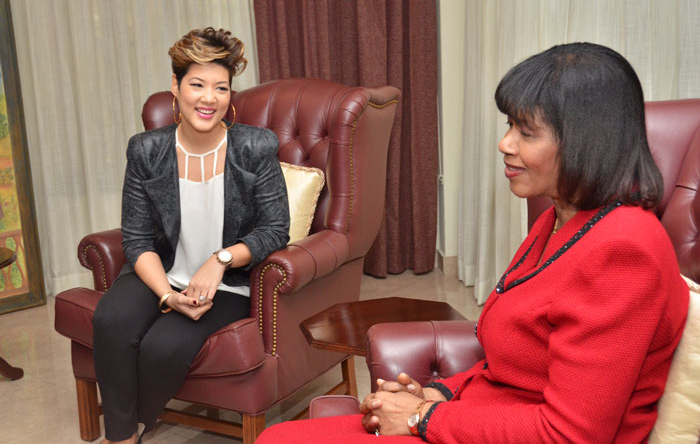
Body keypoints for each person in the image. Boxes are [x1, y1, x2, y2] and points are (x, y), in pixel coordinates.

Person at [256, 42, 689, 443]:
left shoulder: (624, 251)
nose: (505, 144)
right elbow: (517, 369)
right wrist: (439, 392)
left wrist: (421, 418)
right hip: (484, 419)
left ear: (587, 142)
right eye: (509, 126)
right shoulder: (561, 219)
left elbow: (571, 434)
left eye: (527, 133)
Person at [92, 27, 290, 444]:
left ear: (230, 95)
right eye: (197, 84)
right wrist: (167, 295)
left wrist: (220, 261)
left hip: (227, 286)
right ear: (175, 88)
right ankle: (121, 436)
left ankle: (135, 426)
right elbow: (138, 240)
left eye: (221, 88)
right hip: (160, 272)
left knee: (163, 345)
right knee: (111, 319)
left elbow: (275, 229)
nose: (209, 98)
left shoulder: (256, 147)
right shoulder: (146, 150)